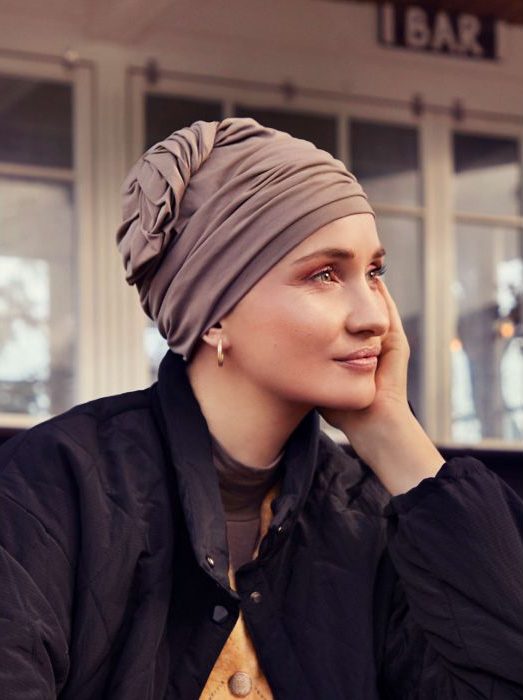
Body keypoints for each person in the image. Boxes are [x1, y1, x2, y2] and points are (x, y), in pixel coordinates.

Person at [0, 117, 522, 700]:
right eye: (325, 275)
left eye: (374, 272)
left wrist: (394, 432)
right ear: (214, 311)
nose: (374, 316)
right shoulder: (51, 486)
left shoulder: (369, 516)